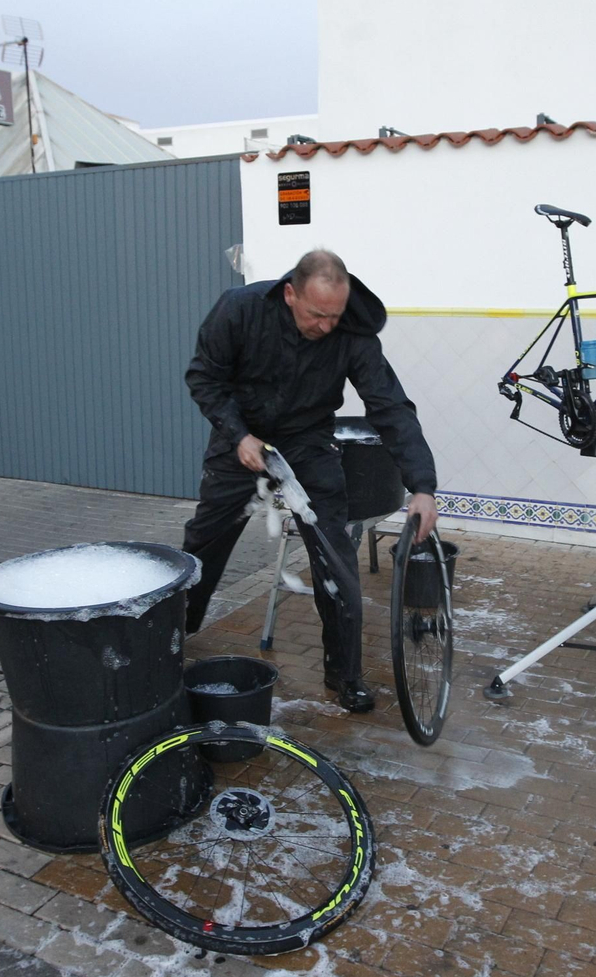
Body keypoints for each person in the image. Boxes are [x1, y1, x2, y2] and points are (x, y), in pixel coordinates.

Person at [182, 249, 438, 712]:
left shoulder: (351, 332)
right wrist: (239, 434)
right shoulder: (239, 310)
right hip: (240, 439)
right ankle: (172, 641)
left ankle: (345, 675)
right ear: (289, 294)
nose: (325, 326)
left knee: (336, 557)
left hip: (308, 443)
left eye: (334, 316)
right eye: (316, 314)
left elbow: (391, 407)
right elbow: (204, 378)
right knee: (203, 545)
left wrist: (423, 485)